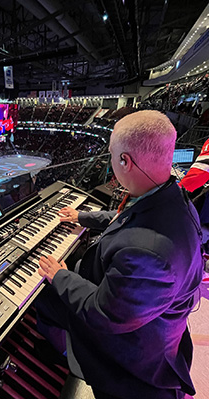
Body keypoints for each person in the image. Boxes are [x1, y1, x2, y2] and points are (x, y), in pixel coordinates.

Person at [36, 110, 203, 399]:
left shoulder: (147, 254)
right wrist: (82, 216)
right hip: (140, 309)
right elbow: (127, 216)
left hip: (130, 354)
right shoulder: (174, 197)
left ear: (125, 160)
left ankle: (67, 351)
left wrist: (59, 275)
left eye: (112, 155)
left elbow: (103, 314)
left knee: (42, 295)